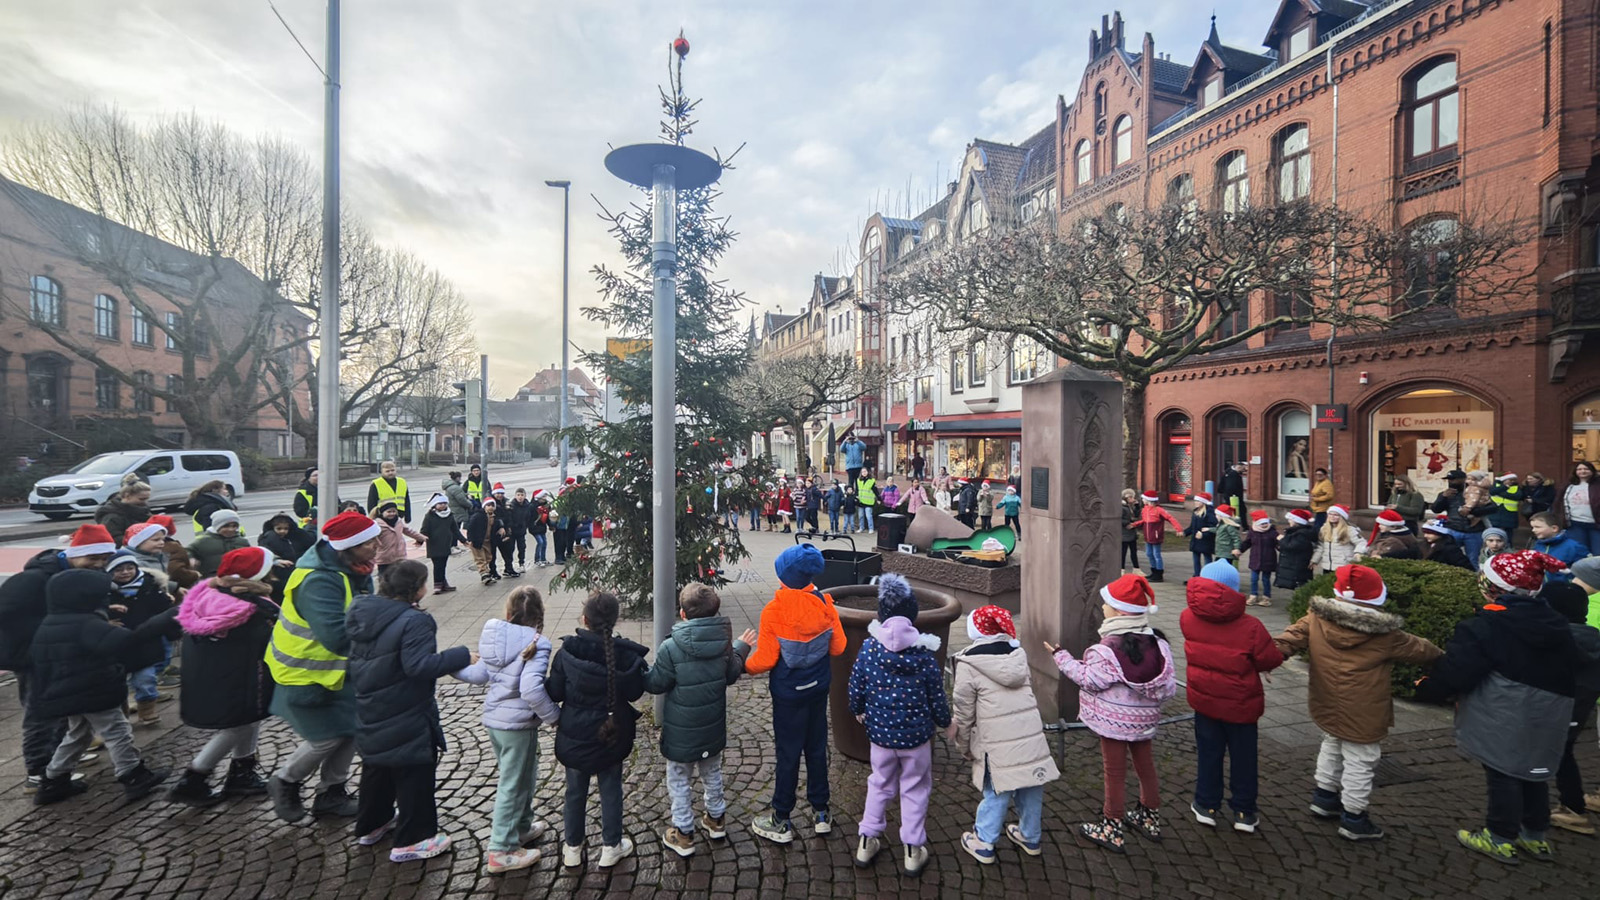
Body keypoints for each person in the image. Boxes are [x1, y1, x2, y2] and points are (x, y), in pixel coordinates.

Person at [1413, 551, 1580, 864]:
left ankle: (1500, 836)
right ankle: (1535, 835)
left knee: (1502, 771)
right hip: (1551, 710)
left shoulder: (1486, 625)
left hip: (1505, 709)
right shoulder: (1555, 622)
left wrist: (1428, 688)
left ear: (1493, 587)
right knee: (1534, 771)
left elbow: (1459, 670)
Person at [1274, 564, 1443, 841]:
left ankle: (1324, 796)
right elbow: (1422, 650)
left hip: (1326, 698)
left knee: (1332, 741)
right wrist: (1448, 659)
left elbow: (1289, 639)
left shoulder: (1316, 617)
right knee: (1361, 759)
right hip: (1365, 707)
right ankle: (1354, 817)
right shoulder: (1386, 634)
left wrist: (1267, 656)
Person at [348, 560, 474, 863]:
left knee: (377, 766)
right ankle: (413, 839)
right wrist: (461, 655)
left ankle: (372, 824)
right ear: (415, 588)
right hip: (405, 708)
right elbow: (419, 666)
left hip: (370, 703)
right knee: (414, 770)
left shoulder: (362, 611)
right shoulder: (414, 621)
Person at [265, 511, 382, 823]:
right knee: (326, 737)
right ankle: (286, 780)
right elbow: (336, 636)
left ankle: (332, 793)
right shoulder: (318, 580)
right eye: (368, 542)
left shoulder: (355, 568)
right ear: (347, 547)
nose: (376, 546)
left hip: (337, 671)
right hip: (304, 673)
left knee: (351, 728)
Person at [28, 568, 178, 805]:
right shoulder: (86, 624)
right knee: (117, 730)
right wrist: (163, 620)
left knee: (78, 734)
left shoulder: (52, 622)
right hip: (91, 691)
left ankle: (53, 781)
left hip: (68, 693)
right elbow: (126, 642)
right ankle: (133, 774)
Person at [1050, 574, 1177, 853]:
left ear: (1119, 611)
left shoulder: (1106, 649)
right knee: (1146, 766)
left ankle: (1112, 825)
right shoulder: (1159, 644)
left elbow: (1088, 679)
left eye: (1106, 604)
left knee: (1114, 771)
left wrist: (1061, 656)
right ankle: (1149, 817)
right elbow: (1168, 686)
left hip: (1114, 723)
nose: (1103, 608)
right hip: (1145, 721)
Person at [451, 585, 561, 874]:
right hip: (518, 726)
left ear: (509, 612)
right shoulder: (538, 643)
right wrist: (555, 717)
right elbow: (531, 690)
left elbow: (478, 675)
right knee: (513, 784)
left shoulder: (495, 638)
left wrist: (449, 664)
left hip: (496, 724)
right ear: (539, 614)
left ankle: (521, 827)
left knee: (524, 776)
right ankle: (501, 849)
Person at [847, 574, 949, 876]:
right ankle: (913, 850)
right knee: (915, 788)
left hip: (880, 737)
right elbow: (937, 696)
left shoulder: (869, 648)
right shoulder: (924, 654)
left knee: (879, 784)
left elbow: (856, 685)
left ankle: (866, 841)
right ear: (913, 615)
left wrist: (858, 709)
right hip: (916, 740)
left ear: (881, 614)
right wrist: (945, 722)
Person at [644, 584, 755, 858]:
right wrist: (741, 647)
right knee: (712, 772)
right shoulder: (724, 644)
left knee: (679, 780)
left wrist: (639, 669)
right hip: (711, 729)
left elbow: (656, 683)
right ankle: (716, 820)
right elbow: (731, 674)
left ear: (683, 614)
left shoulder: (671, 646)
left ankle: (683, 833)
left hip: (681, 733)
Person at [745, 544, 846, 844]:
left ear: (784, 577)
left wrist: (743, 665)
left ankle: (781, 817)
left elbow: (765, 660)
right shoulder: (826, 604)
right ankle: (821, 812)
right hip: (818, 688)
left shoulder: (773, 611)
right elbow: (838, 647)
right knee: (816, 748)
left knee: (788, 753)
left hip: (789, 695)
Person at [168, 547, 280, 806]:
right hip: (240, 676)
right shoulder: (253, 606)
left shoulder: (210, 594)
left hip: (213, 673)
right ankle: (193, 779)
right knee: (236, 726)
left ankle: (242, 771)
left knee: (248, 721)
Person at [950, 605, 1059, 865]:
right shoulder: (1018, 655)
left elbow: (963, 713)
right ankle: (1030, 837)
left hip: (996, 744)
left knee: (997, 790)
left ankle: (984, 841)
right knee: (1031, 787)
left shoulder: (968, 663)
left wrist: (964, 746)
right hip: (1030, 737)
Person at [547, 591, 649, 869]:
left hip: (574, 736)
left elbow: (554, 691)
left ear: (584, 619)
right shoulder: (624, 656)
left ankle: (572, 848)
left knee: (574, 791)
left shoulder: (566, 653)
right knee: (611, 789)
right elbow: (635, 691)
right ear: (615, 620)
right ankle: (611, 846)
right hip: (611, 734)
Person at [1181, 560, 1283, 832]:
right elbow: (1269, 658)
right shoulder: (1251, 626)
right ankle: (1244, 811)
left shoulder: (1187, 617)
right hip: (1241, 705)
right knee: (1244, 758)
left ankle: (1206, 804)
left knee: (1208, 753)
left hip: (1204, 699)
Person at [1543, 581, 1600, 835]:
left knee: (1551, 755)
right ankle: (1573, 807)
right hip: (1578, 709)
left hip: (1557, 709)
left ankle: (1571, 810)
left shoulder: (1559, 639)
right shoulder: (1592, 637)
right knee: (1563, 752)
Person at [105, 549, 175, 728]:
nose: (125, 572)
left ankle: (147, 709)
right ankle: (123, 714)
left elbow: (164, 611)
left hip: (145, 642)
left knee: (146, 679)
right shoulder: (105, 592)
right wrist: (106, 622)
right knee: (118, 683)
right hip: (117, 644)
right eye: (119, 569)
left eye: (130, 568)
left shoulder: (149, 586)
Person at [1431, 470, 1496, 570]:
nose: (1451, 482)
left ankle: (1473, 576)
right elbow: (1435, 509)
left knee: (1472, 559)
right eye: (1449, 479)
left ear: (1463, 479)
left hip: (1474, 531)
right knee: (1449, 556)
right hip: (1453, 529)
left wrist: (1473, 511)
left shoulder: (1476, 491)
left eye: (1454, 479)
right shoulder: (1446, 494)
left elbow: (1493, 508)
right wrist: (1443, 497)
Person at [1136, 491, 1182, 583]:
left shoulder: (1159, 510)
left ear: (1149, 500)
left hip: (1156, 536)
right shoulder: (1145, 509)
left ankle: (1159, 573)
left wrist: (1179, 529)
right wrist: (1134, 524)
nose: (1142, 500)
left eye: (1143, 499)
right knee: (1149, 554)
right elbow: (1144, 521)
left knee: (1156, 554)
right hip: (1147, 536)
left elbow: (1170, 518)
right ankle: (1154, 571)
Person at [188, 510, 249, 579]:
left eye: (234, 526)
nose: (231, 529)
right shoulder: (204, 541)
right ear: (217, 526)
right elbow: (188, 550)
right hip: (211, 579)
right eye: (226, 526)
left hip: (237, 579)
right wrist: (191, 558)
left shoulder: (242, 542)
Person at [418, 493, 459, 595]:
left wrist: (464, 540)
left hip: (445, 544)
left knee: (442, 565)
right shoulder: (429, 516)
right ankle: (437, 585)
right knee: (437, 565)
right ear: (434, 505)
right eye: (440, 503)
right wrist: (419, 540)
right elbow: (424, 530)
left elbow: (455, 530)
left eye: (444, 503)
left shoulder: (449, 515)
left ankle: (443, 584)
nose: (443, 505)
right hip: (434, 544)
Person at [372, 501, 425, 579]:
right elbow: (372, 538)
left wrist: (422, 538)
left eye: (394, 511)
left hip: (399, 555)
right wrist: (377, 546)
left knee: (400, 578)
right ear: (382, 512)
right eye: (389, 512)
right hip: (384, 557)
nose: (392, 513)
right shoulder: (377, 524)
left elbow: (408, 531)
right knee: (385, 578)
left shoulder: (398, 521)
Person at [1559, 460, 1600, 556]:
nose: (1583, 471)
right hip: (1575, 524)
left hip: (1596, 525)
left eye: (1586, 469)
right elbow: (1558, 502)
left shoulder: (1598, 484)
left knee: (1597, 554)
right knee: (1579, 552)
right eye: (1579, 469)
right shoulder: (1569, 485)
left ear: (1592, 471)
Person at [1239, 511, 1279, 607]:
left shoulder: (1273, 533)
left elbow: (1278, 544)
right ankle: (1253, 595)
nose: (1264, 525)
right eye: (1262, 523)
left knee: (1266, 579)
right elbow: (1247, 543)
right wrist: (1240, 550)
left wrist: (1282, 547)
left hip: (1268, 560)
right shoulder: (1252, 532)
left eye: (1266, 523)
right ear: (1256, 523)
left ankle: (1266, 597)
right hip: (1255, 559)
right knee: (1254, 579)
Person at [1530, 512, 1589, 577]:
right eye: (1532, 527)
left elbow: (1585, 571)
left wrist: (1567, 575)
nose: (1533, 530)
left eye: (1537, 527)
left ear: (1554, 528)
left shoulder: (1575, 547)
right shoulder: (1538, 545)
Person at [468, 497, 511, 585]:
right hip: (478, 541)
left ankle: (487, 573)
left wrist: (501, 527)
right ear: (484, 506)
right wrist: (470, 539)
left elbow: (500, 523)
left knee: (488, 558)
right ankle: (484, 575)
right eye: (488, 505)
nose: (490, 507)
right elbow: (471, 527)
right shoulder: (478, 516)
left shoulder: (495, 517)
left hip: (488, 541)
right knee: (480, 558)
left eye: (492, 505)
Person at [1313, 505, 1368, 574]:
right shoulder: (1324, 529)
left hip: (1343, 565)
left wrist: (1358, 553)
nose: (1332, 517)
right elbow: (1321, 546)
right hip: (1327, 566)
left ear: (1342, 517)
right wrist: (1315, 560)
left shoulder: (1349, 529)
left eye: (1336, 515)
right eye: (1330, 514)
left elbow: (1361, 542)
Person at [1274, 509, 1317, 591]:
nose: (1289, 521)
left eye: (1291, 519)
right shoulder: (1294, 532)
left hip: (1297, 566)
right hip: (1293, 565)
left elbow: (1292, 546)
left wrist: (1282, 540)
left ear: (1296, 521)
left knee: (1301, 587)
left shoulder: (1302, 534)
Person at [1183, 492, 1219, 579]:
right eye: (1195, 501)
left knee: (1207, 558)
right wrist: (1185, 532)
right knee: (1196, 560)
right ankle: (1196, 576)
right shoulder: (1195, 512)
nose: (1195, 503)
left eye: (1198, 501)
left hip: (1206, 541)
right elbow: (1192, 527)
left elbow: (1212, 528)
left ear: (1203, 502)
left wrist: (1203, 534)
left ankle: (1207, 576)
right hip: (1196, 541)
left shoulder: (1209, 513)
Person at [502, 489, 532, 571]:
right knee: (510, 548)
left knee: (522, 547)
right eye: (518, 495)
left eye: (522, 495)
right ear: (515, 496)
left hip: (521, 531)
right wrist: (510, 527)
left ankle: (521, 563)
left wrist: (525, 526)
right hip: (512, 531)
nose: (520, 497)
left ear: (525, 496)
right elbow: (508, 517)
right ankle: (509, 565)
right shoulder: (512, 505)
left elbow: (528, 517)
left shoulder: (527, 506)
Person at [442, 472, 473, 538]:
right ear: (458, 478)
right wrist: (470, 504)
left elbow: (458, 496)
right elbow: (462, 500)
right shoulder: (455, 488)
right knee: (455, 529)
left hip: (453, 509)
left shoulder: (451, 486)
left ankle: (454, 542)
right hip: (457, 511)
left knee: (454, 528)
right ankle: (454, 543)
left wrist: (465, 495)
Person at [1213, 504, 1241, 573]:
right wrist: (1208, 529)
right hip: (1221, 551)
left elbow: (1236, 538)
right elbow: (1217, 530)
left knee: (1223, 569)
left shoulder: (1229, 526)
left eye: (1217, 515)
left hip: (1226, 552)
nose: (1216, 516)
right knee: (1219, 568)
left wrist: (1236, 548)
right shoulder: (1221, 525)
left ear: (1222, 516)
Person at [1119, 490, 1141, 570]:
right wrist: (1128, 523)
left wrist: (1137, 506)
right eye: (1130, 497)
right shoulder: (1122, 507)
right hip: (1124, 533)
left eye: (1133, 497)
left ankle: (1136, 568)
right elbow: (1119, 519)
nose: (1133, 499)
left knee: (1134, 552)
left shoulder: (1130, 506)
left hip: (1132, 532)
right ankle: (1122, 569)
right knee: (1123, 552)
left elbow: (1136, 515)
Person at [529, 490, 552, 567]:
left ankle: (543, 559)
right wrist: (531, 526)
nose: (545, 498)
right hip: (535, 528)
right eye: (543, 497)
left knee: (544, 543)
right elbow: (529, 518)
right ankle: (537, 560)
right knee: (540, 542)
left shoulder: (545, 506)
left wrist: (550, 526)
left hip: (542, 528)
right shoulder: (532, 506)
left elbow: (547, 517)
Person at [856, 469, 878, 533]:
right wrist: (856, 496)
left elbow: (875, 490)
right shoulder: (859, 480)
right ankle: (861, 527)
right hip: (861, 501)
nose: (864, 473)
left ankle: (871, 528)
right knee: (861, 516)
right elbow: (857, 489)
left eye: (865, 471)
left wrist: (878, 498)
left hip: (868, 501)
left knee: (868, 516)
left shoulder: (871, 480)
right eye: (862, 472)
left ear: (868, 472)